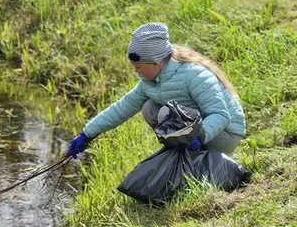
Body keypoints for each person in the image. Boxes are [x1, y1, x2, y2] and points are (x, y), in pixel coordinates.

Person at [66, 23, 246, 160]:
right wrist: (87, 134)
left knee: (159, 111)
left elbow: (221, 115)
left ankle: (197, 157)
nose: (136, 71)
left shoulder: (194, 75)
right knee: (150, 108)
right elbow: (122, 108)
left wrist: (198, 136)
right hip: (195, 128)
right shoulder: (149, 81)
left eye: (138, 66)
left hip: (226, 133)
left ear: (156, 62)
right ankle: (183, 152)